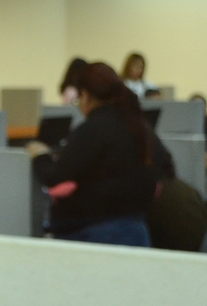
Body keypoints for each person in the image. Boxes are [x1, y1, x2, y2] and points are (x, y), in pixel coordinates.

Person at [26, 62, 161, 246]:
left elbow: (55, 176)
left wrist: (40, 155)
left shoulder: (93, 130)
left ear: (85, 96)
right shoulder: (139, 126)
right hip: (137, 230)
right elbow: (165, 165)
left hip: (94, 233)